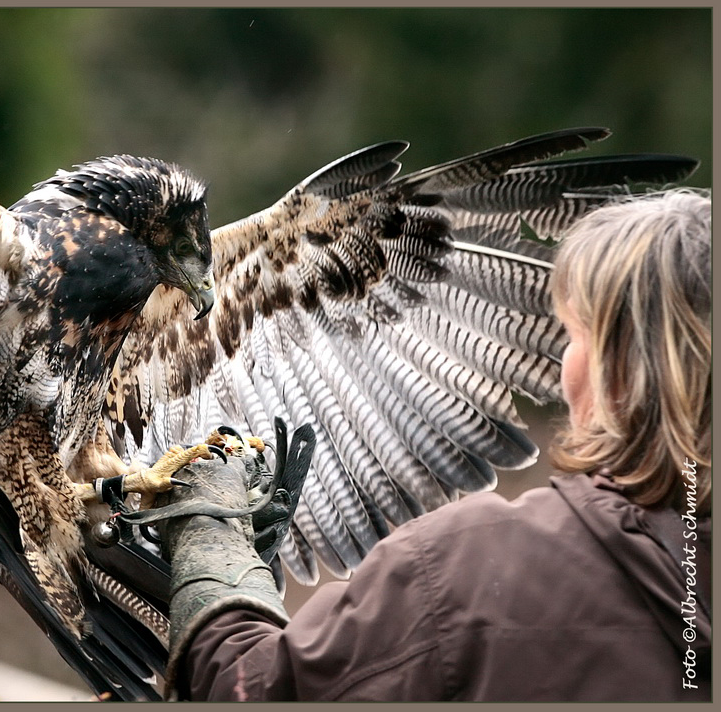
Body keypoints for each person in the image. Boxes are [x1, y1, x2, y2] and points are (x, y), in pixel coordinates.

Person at [159, 188, 712, 701]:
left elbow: (254, 694)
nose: (561, 362)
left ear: (622, 374)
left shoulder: (479, 571)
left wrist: (213, 560)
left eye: (574, 336)